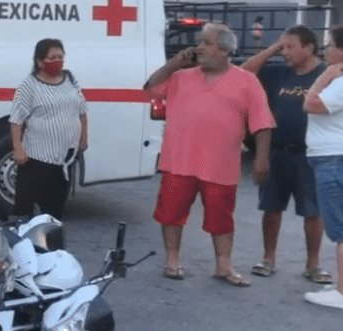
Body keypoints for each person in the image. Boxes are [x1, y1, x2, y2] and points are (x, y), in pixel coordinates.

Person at [144, 22, 275, 287]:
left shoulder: (246, 81)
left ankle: (223, 266)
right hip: (179, 161)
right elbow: (149, 88)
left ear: (225, 51)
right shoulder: (181, 77)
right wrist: (173, 64)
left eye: (207, 43)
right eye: (200, 42)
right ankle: (172, 260)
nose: (199, 47)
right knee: (171, 214)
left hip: (220, 166)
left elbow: (262, 123)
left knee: (221, 218)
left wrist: (261, 159)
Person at [240, 26, 330, 283]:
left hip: (310, 154)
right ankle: (268, 258)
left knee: (313, 211)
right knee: (271, 207)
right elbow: (243, 72)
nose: (285, 52)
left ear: (309, 48)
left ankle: (313, 264)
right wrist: (274, 48)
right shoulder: (279, 73)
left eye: (291, 47)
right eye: (284, 47)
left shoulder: (325, 76)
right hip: (277, 152)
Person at [9, 38, 88, 249]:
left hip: (64, 158)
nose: (58, 61)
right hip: (36, 159)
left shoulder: (70, 79)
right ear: (40, 61)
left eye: (61, 57)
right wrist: (18, 148)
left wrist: (83, 138)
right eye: (52, 58)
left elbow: (81, 109)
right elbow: (16, 119)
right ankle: (22, 252)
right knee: (24, 213)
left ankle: (54, 252)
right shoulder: (29, 85)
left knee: (54, 213)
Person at [303, 27, 343, 309]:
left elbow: (311, 104)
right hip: (332, 156)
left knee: (340, 227)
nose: (325, 50)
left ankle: (342, 293)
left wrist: (324, 76)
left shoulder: (339, 82)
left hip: (333, 158)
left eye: (330, 45)